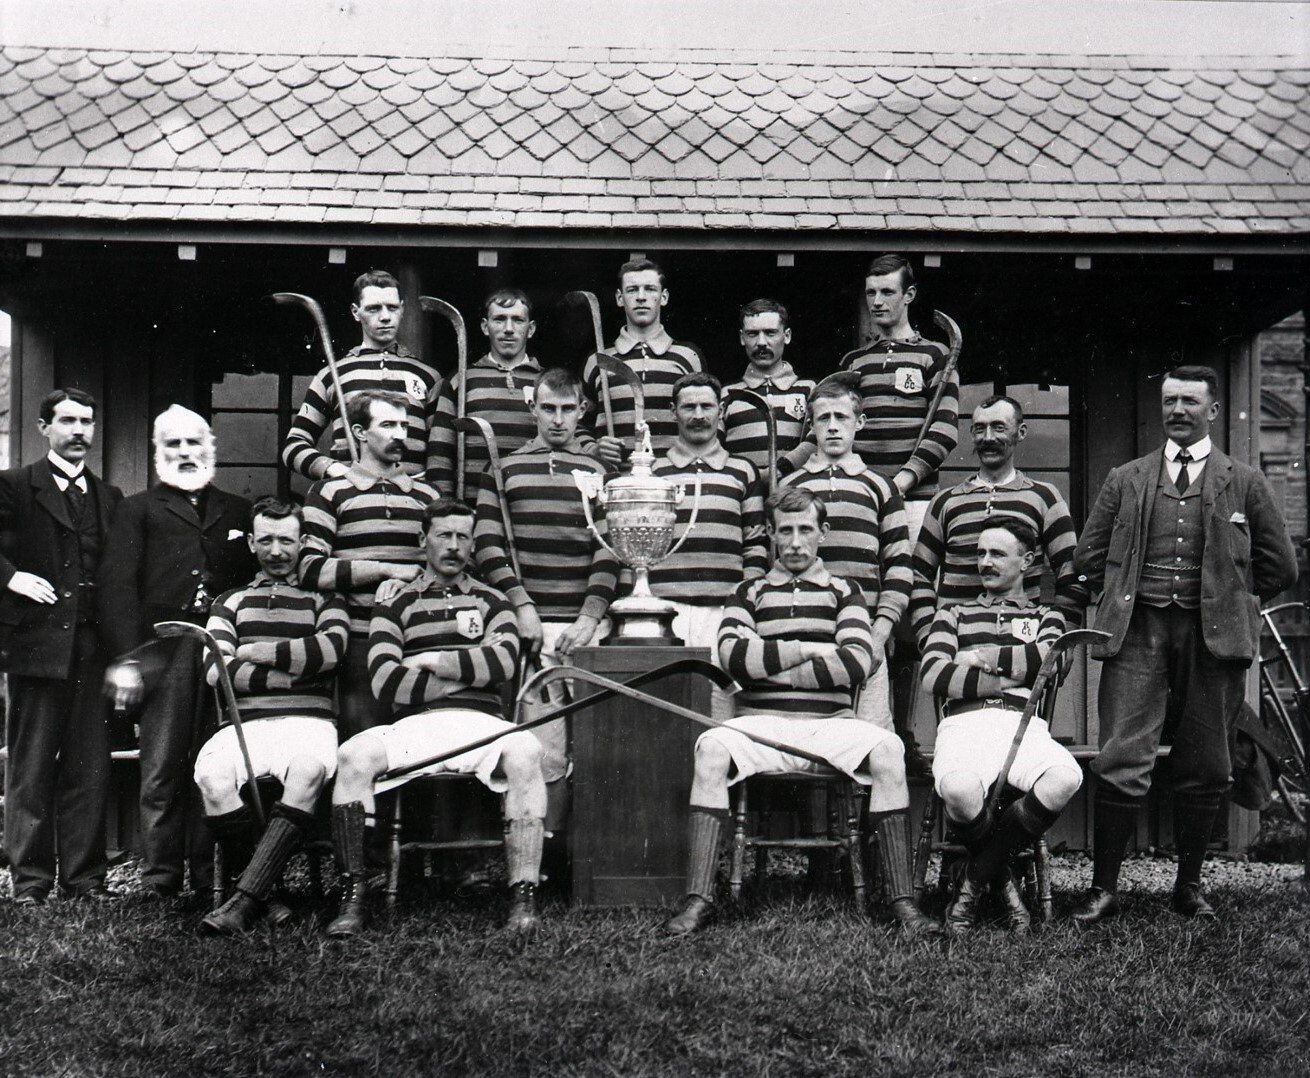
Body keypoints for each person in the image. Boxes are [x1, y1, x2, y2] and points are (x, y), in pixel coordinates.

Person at [1071, 365, 1298, 924]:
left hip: (1212, 638)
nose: (1177, 411)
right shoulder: (1127, 478)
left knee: (1207, 760)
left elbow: (1281, 567)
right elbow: (1086, 559)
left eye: (1190, 402)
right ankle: (1103, 889)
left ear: (1213, 411)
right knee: (1123, 753)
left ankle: (1189, 887)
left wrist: (1227, 597)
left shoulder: (1242, 481)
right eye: (1170, 401)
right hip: (1138, 632)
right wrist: (1123, 592)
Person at [663, 487, 939, 937]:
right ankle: (699, 899)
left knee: (889, 750)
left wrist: (768, 664)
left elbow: (854, 661)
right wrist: (811, 650)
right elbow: (733, 657)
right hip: (759, 727)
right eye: (785, 530)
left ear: (822, 533)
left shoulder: (845, 592)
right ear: (770, 533)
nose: (794, 542)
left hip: (828, 728)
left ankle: (903, 903)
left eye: (805, 530)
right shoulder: (747, 592)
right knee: (711, 748)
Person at [326, 497, 545, 938]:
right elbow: (386, 681)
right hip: (418, 724)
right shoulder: (396, 602)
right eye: (444, 534)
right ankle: (352, 899)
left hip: (483, 723)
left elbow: (502, 663)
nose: (454, 546)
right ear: (422, 538)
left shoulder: (493, 600)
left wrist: (431, 659)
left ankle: (523, 900)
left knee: (526, 750)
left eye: (464, 536)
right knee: (352, 756)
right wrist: (465, 674)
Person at [99, 405, 257, 899]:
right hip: (162, 653)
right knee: (162, 766)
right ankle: (161, 880)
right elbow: (117, 588)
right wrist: (128, 659)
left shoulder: (236, 510)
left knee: (215, 763)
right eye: (174, 445)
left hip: (221, 655)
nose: (186, 453)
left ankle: (215, 878)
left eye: (194, 443)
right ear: (158, 453)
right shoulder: (138, 508)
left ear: (211, 447)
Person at [194, 498, 350, 936]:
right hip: (245, 725)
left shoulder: (326, 598)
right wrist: (294, 675)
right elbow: (215, 671)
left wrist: (252, 654)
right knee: (213, 779)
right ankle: (268, 895)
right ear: (250, 542)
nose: (277, 551)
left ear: (303, 542)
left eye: (286, 540)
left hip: (309, 723)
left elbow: (330, 652)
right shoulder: (231, 601)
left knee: (307, 770)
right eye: (266, 540)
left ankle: (246, 902)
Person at [920, 517, 1080, 936]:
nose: (984, 562)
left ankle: (970, 888)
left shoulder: (1047, 615)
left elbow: (1054, 660)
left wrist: (978, 657)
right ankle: (1005, 882)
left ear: (1027, 561)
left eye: (997, 553)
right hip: (964, 724)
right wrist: (1014, 670)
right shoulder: (952, 614)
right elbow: (935, 675)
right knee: (957, 790)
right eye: (980, 554)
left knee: (1065, 777)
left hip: (1021, 724)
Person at [0, 388, 122, 905]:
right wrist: (10, 578)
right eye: (68, 421)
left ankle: (84, 879)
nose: (79, 431)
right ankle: (29, 882)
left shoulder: (108, 497)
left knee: (87, 766)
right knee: (29, 767)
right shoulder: (13, 487)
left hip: (91, 653)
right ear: (44, 427)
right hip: (35, 650)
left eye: (87, 422)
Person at [474, 367, 617, 793]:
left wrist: (590, 619)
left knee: (598, 743)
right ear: (532, 408)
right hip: (531, 628)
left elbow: (609, 550)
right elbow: (487, 545)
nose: (558, 419)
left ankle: (588, 852)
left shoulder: (597, 471)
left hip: (587, 628)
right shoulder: (505, 468)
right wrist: (522, 608)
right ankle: (545, 847)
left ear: (582, 411)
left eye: (568, 409)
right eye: (549, 409)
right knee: (541, 748)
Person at [299, 390, 439, 738]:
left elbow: (446, 569)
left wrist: (413, 581)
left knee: (423, 756)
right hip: (359, 643)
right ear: (360, 432)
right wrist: (386, 569)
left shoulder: (429, 496)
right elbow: (310, 570)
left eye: (404, 426)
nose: (400, 435)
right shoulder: (328, 492)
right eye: (388, 424)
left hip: (421, 639)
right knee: (363, 752)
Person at [780, 374, 912, 731]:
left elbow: (900, 566)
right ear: (812, 425)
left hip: (865, 634)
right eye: (824, 419)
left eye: (842, 417)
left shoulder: (880, 486)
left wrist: (880, 632)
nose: (833, 427)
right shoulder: (791, 486)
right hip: (804, 633)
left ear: (860, 422)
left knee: (869, 741)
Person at [909, 395, 1086, 646]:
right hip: (953, 647)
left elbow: (1073, 574)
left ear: (1020, 432)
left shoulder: (1044, 498)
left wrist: (1062, 641)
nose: (988, 437)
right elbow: (918, 575)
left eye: (999, 427)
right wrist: (929, 636)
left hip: (1020, 647)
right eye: (979, 429)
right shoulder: (945, 502)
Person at [648, 373, 768, 709]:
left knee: (722, 707)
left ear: (721, 410)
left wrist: (747, 607)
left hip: (724, 611)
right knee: (664, 707)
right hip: (667, 610)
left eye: (706, 406)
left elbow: (755, 544)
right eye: (689, 407)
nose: (698, 415)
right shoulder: (654, 472)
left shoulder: (743, 471)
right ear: (674, 411)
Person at [838, 253, 958, 541]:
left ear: (909, 295)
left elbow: (944, 431)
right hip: (861, 494)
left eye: (887, 292)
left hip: (915, 500)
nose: (877, 302)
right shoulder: (853, 362)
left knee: (916, 582)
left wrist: (901, 483)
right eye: (871, 293)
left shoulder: (935, 354)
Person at [282, 269, 442, 482]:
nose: (385, 317)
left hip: (412, 503)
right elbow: (293, 446)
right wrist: (335, 470)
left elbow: (441, 453)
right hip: (352, 499)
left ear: (402, 309)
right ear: (356, 312)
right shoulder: (333, 375)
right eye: (374, 309)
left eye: (392, 308)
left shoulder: (428, 376)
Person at [428, 288, 563, 501]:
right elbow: (440, 453)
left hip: (531, 501)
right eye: (499, 319)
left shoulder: (550, 383)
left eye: (518, 320)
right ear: (485, 326)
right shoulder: (461, 380)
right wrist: (446, 508)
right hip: (472, 504)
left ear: (531, 329)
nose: (508, 329)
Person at [582, 258, 705, 469]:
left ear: (663, 297)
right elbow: (577, 421)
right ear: (620, 299)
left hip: (673, 477)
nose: (641, 297)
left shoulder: (688, 357)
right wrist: (593, 448)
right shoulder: (598, 360)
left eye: (649, 289)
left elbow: (707, 419)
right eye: (632, 290)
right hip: (614, 481)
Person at [721, 298, 814, 478]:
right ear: (742, 338)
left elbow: (817, 439)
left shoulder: (809, 390)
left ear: (786, 336)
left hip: (795, 496)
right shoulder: (726, 394)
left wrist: (780, 470)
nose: (761, 342)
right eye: (752, 334)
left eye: (770, 333)